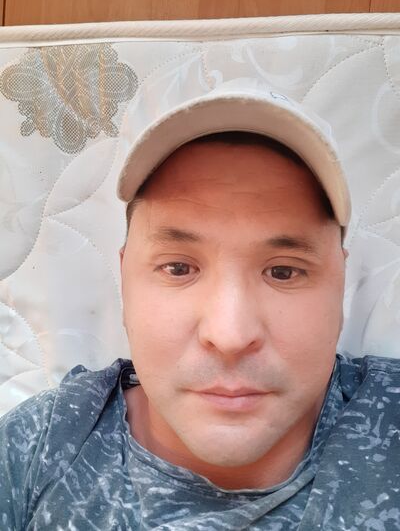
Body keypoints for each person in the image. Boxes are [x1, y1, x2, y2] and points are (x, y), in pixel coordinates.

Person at [1, 80, 400, 530]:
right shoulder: (36, 448)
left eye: (284, 272)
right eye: (178, 268)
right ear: (125, 281)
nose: (230, 336)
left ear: (340, 284)